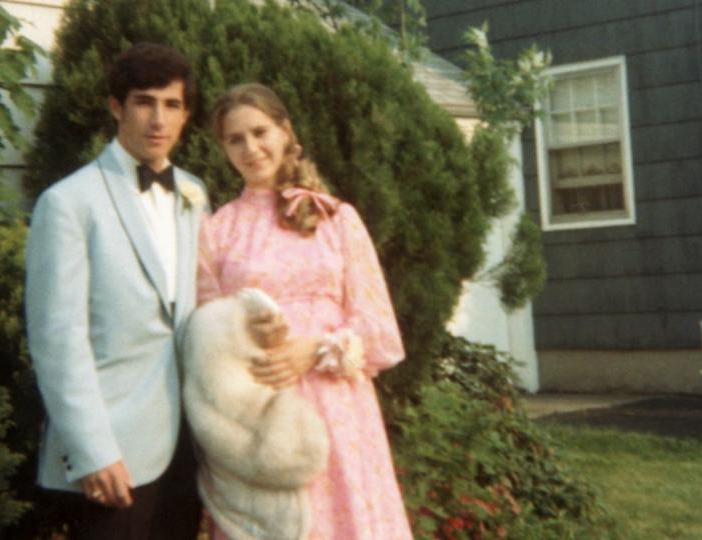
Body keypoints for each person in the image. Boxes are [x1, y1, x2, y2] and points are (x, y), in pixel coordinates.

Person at [196, 83, 413, 540]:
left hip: (340, 410)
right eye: (236, 139)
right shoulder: (217, 231)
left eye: (260, 132)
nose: (251, 148)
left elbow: (382, 332)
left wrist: (315, 349)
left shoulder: (337, 219)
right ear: (223, 148)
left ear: (285, 131)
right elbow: (207, 341)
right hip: (265, 413)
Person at [25, 42, 206, 539]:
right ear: (116, 106)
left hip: (188, 446)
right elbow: (56, 341)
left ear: (186, 114)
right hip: (115, 450)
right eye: (144, 102)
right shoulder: (67, 203)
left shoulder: (195, 193)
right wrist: (92, 450)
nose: (158, 120)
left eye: (172, 105)